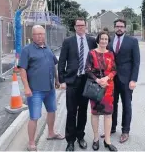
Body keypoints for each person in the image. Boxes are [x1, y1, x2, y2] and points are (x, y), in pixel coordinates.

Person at [18, 25, 64, 151]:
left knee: (52, 111)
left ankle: (51, 133)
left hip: (50, 89)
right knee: (34, 116)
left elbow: (53, 65)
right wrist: (26, 88)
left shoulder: (47, 48)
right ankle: (31, 143)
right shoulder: (27, 50)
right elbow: (22, 70)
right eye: (37, 34)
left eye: (42, 34)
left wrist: (57, 80)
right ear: (32, 36)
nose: (40, 36)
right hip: (35, 90)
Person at [58, 17, 97, 151]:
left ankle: (80, 136)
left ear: (86, 26)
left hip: (86, 81)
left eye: (82, 25)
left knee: (83, 111)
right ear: (74, 27)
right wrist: (62, 80)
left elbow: (99, 54)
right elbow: (62, 61)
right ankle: (70, 140)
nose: (80, 27)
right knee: (71, 112)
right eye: (78, 25)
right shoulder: (68, 41)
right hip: (72, 81)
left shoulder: (92, 41)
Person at [101, 18, 140, 143]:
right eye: (117, 26)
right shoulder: (109, 40)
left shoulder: (132, 41)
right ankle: (111, 128)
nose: (119, 28)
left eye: (121, 26)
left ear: (125, 28)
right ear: (114, 27)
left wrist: (133, 79)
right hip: (112, 79)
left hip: (126, 79)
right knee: (112, 105)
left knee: (126, 105)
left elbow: (136, 62)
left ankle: (125, 131)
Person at [85, 31, 118, 151]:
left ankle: (107, 141)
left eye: (106, 39)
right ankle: (95, 138)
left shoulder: (111, 54)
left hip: (109, 88)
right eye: (102, 38)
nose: (104, 41)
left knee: (108, 114)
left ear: (108, 41)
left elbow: (114, 70)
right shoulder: (91, 53)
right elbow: (87, 70)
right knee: (95, 114)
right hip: (96, 87)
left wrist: (106, 78)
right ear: (98, 40)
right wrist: (98, 80)